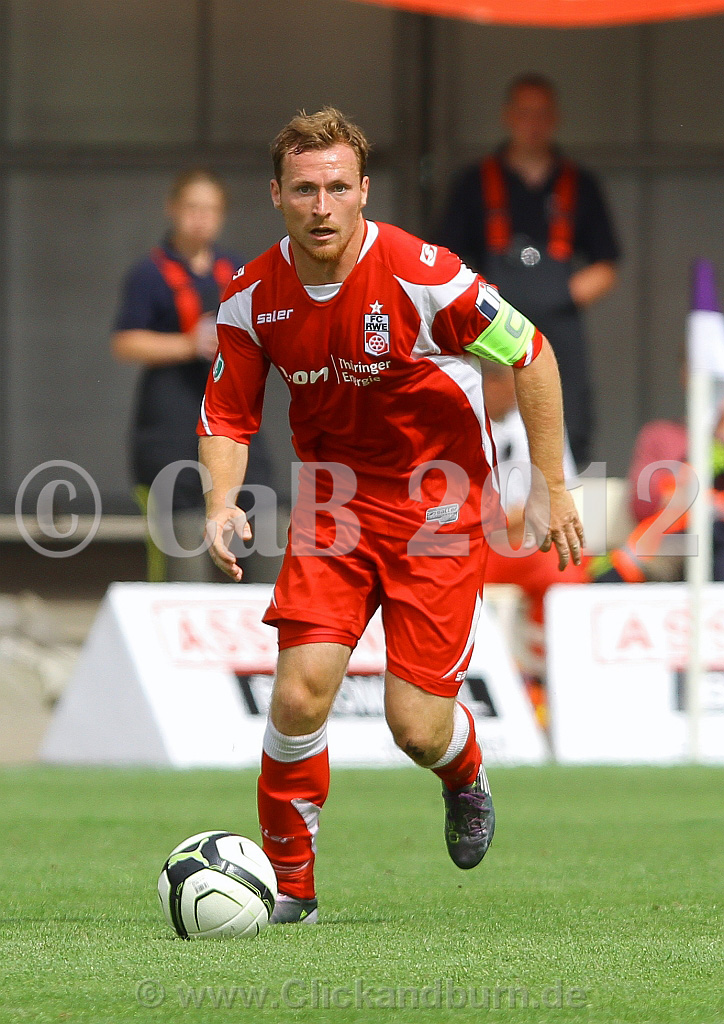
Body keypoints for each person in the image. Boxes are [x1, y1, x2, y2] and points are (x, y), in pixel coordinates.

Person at [198, 108, 583, 924]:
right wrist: (221, 501)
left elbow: (532, 352)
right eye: (305, 189)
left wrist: (552, 483)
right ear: (276, 195)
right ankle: (292, 888)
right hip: (333, 504)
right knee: (298, 696)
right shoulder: (251, 297)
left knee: (415, 727)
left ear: (365, 191)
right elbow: (228, 416)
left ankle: (463, 771)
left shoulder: (424, 274)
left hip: (437, 509)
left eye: (338, 187)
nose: (322, 206)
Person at [436, 74, 620, 468]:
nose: (532, 124)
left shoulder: (581, 184)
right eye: (524, 113)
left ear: (555, 119)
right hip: (491, 327)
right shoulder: (472, 183)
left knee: (570, 425)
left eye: (541, 114)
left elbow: (606, 265)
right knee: (483, 429)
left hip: (560, 332)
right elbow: (443, 260)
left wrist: (563, 294)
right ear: (508, 116)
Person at [112, 169, 272, 582]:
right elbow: (125, 342)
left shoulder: (237, 269)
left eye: (210, 209)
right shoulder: (149, 273)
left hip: (231, 419)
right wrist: (189, 344)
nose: (201, 218)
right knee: (182, 552)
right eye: (192, 208)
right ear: (173, 209)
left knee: (268, 519)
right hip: (169, 426)